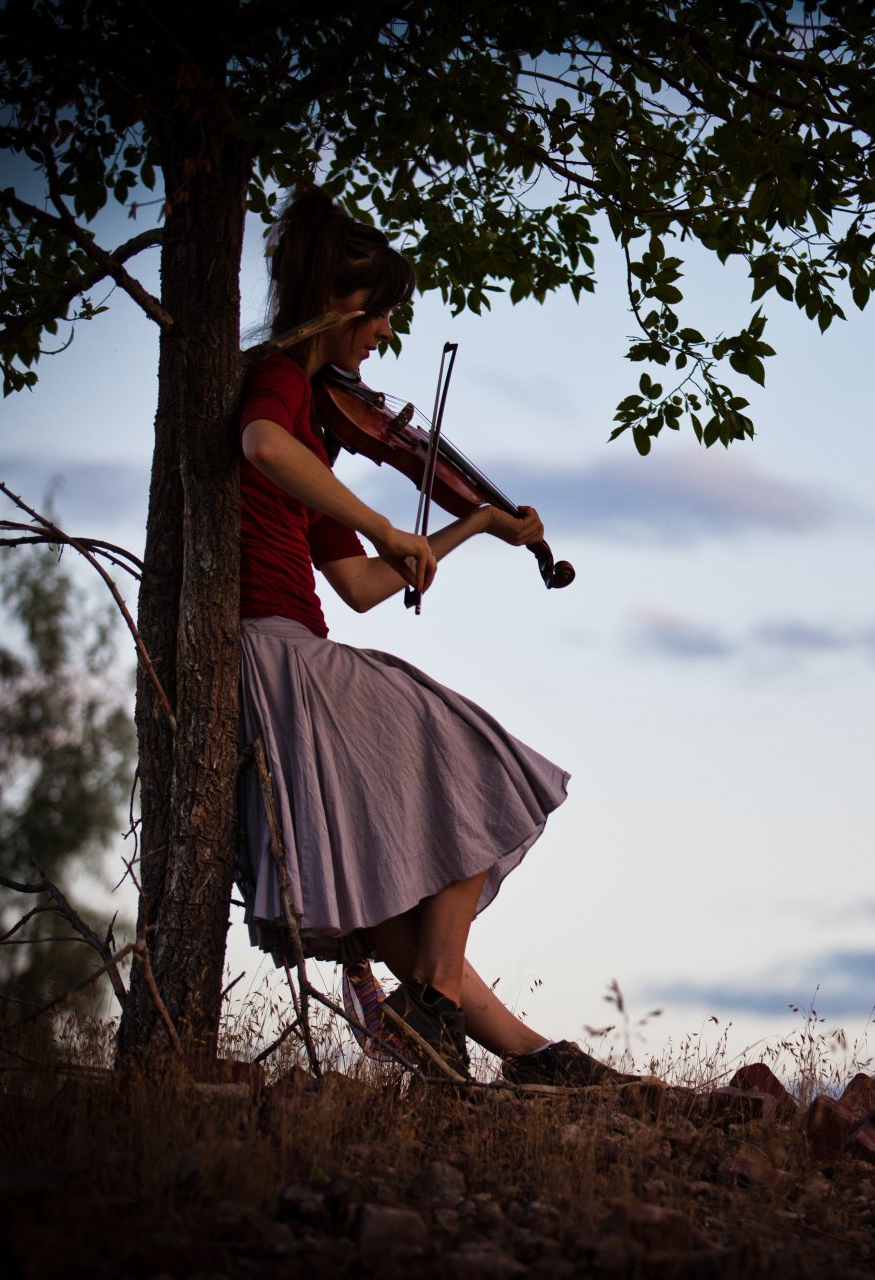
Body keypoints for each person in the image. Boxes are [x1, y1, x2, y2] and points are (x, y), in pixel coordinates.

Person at [235, 184, 632, 1089]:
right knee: (479, 763)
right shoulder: (280, 382)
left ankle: (526, 1056)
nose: (383, 340)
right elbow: (262, 445)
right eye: (380, 319)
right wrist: (386, 521)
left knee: (402, 918)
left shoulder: (317, 441)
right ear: (342, 304)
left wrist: (470, 528)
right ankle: (439, 1000)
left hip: (295, 646)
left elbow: (367, 588)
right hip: (277, 652)